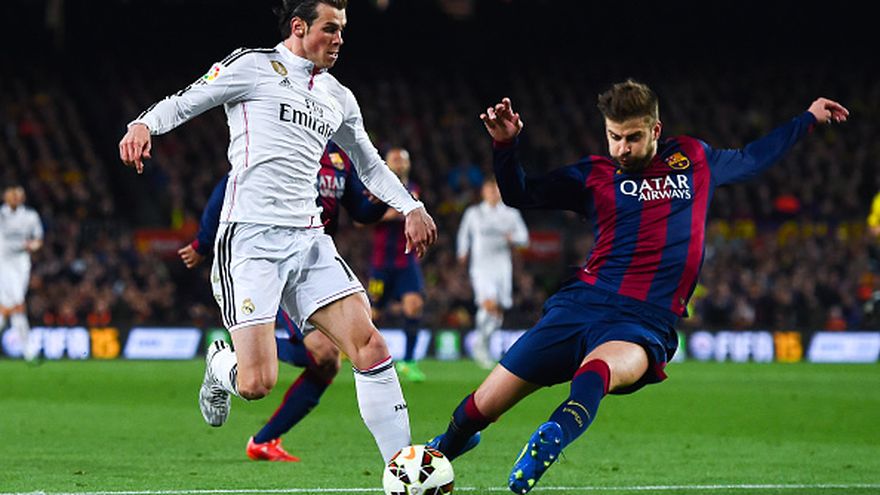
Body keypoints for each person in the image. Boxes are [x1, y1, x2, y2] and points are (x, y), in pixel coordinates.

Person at [427, 81, 848, 493]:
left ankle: (552, 435)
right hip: (580, 305)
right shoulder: (593, 175)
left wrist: (807, 118)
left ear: (655, 130)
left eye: (632, 137)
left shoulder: (694, 159)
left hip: (644, 320)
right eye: (614, 137)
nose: (622, 148)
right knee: (482, 405)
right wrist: (505, 146)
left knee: (597, 373)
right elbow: (521, 193)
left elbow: (754, 158)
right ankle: (437, 455)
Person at [119, 0, 437, 464]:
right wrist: (144, 123)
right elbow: (187, 101)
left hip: (308, 240)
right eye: (330, 28)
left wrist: (411, 205)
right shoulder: (253, 66)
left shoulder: (338, 96)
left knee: (370, 345)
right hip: (250, 240)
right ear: (299, 27)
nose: (339, 39)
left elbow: (368, 164)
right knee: (256, 383)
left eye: (343, 30)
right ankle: (220, 364)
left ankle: (403, 470)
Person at [179, 141, 388, 462]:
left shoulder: (340, 157)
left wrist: (380, 200)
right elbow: (230, 185)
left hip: (310, 263)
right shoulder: (285, 139)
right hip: (269, 258)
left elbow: (360, 210)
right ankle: (231, 361)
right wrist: (203, 242)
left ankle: (263, 439)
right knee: (318, 355)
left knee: (327, 361)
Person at [367, 148, 428, 382]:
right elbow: (362, 220)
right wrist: (388, 215)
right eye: (395, 160)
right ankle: (362, 356)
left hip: (406, 261)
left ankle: (409, 362)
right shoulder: (375, 188)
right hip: (381, 263)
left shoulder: (412, 189)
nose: (400, 163)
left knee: (414, 306)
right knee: (373, 313)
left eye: (403, 160)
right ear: (386, 163)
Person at [456, 178, 529, 369]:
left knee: (498, 311)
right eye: (489, 190)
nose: (493, 193)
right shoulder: (474, 213)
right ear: (483, 192)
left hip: (502, 267)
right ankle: (480, 346)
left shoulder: (510, 214)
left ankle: (484, 344)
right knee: (489, 304)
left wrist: (514, 238)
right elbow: (464, 234)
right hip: (481, 267)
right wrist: (462, 252)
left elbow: (524, 238)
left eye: (496, 190)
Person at [0, 185, 44, 362]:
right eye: (11, 194)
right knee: (17, 302)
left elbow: (38, 239)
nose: (15, 197)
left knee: (6, 308)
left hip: (22, 264)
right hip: (3, 263)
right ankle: (28, 351)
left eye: (18, 194)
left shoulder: (30, 216)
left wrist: (33, 245)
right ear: (5, 196)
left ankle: (28, 350)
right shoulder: (1, 215)